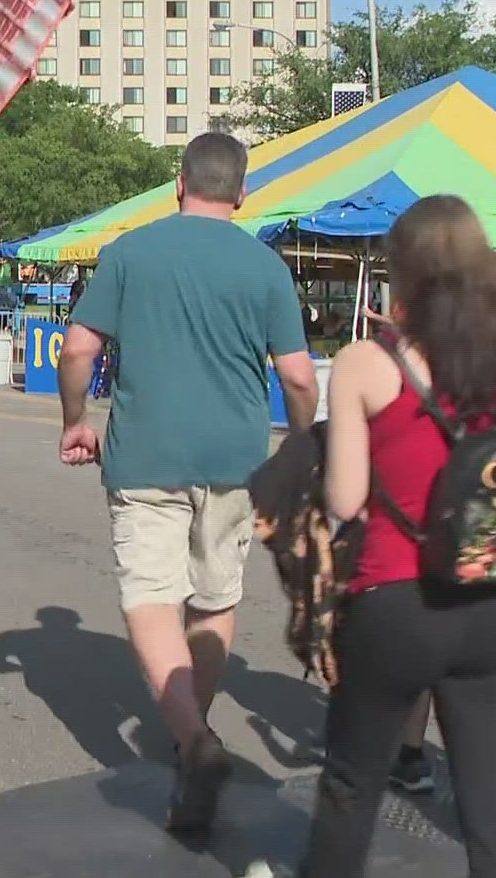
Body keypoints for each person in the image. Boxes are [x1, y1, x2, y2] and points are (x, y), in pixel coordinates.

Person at [57, 131, 318, 834]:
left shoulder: (130, 252)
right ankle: (191, 733)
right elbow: (297, 374)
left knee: (150, 599)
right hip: (236, 459)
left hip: (146, 453)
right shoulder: (266, 268)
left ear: (178, 183)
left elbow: (79, 348)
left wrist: (76, 418)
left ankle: (196, 743)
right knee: (213, 598)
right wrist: (297, 444)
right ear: (241, 193)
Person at [295, 196, 496, 878]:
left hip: (393, 599)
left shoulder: (367, 364)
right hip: (487, 598)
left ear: (401, 273)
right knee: (493, 804)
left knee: (351, 788)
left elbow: (344, 497)